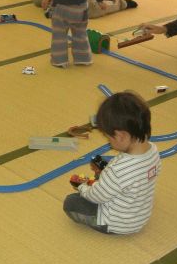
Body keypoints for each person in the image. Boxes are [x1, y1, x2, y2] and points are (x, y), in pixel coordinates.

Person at [64, 91, 161, 234]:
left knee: (71, 202)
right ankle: (103, 181)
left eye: (109, 138)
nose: (109, 142)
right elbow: (132, 177)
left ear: (121, 136)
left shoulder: (118, 169)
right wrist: (105, 175)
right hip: (140, 216)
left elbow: (96, 197)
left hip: (115, 223)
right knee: (107, 178)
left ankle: (97, 190)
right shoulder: (153, 150)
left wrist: (82, 187)